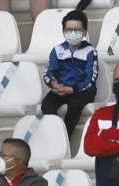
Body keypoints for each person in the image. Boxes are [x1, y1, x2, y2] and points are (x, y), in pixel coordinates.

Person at [41, 9, 99, 140]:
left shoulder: (90, 51)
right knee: (47, 105)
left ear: (84, 32)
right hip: (61, 88)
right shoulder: (57, 50)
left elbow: (91, 77)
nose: (73, 33)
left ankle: (64, 139)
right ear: (63, 31)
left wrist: (73, 89)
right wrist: (53, 83)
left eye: (77, 30)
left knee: (75, 103)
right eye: (69, 29)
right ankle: (54, 135)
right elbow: (49, 71)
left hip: (82, 90)